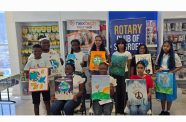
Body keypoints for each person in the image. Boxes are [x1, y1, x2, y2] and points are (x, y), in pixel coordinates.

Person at [24, 44, 52, 115]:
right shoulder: (30, 61)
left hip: (45, 85)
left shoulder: (45, 60)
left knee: (47, 101)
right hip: (35, 86)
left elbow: (49, 71)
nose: (37, 53)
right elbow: (26, 73)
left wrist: (41, 72)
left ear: (41, 51)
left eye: (39, 51)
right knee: (36, 103)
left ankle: (49, 115)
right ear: (32, 52)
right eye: (35, 51)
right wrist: (30, 75)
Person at [155, 41, 182, 115]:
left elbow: (179, 66)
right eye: (164, 46)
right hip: (161, 76)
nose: (165, 48)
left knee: (169, 93)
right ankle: (163, 110)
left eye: (167, 46)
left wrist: (172, 71)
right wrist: (158, 69)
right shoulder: (160, 55)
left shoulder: (174, 55)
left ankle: (168, 111)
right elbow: (156, 66)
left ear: (170, 47)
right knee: (162, 93)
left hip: (170, 76)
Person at [111, 38, 132, 114]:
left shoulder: (128, 54)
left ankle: (123, 110)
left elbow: (129, 66)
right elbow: (112, 66)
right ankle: (117, 110)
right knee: (117, 93)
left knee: (124, 92)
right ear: (117, 45)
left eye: (122, 43)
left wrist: (129, 77)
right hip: (116, 75)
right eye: (119, 43)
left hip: (124, 74)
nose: (120, 45)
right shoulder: (114, 54)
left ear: (124, 45)